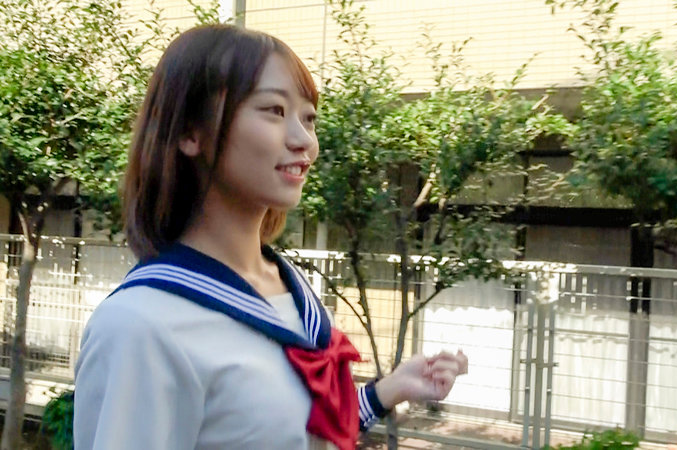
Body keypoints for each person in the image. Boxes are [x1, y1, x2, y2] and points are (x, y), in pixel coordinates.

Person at [73, 24, 468, 450]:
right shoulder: (141, 327)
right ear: (190, 132)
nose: (305, 141)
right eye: (275, 111)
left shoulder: (289, 287)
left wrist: (388, 391)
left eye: (309, 118)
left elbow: (282, 432)